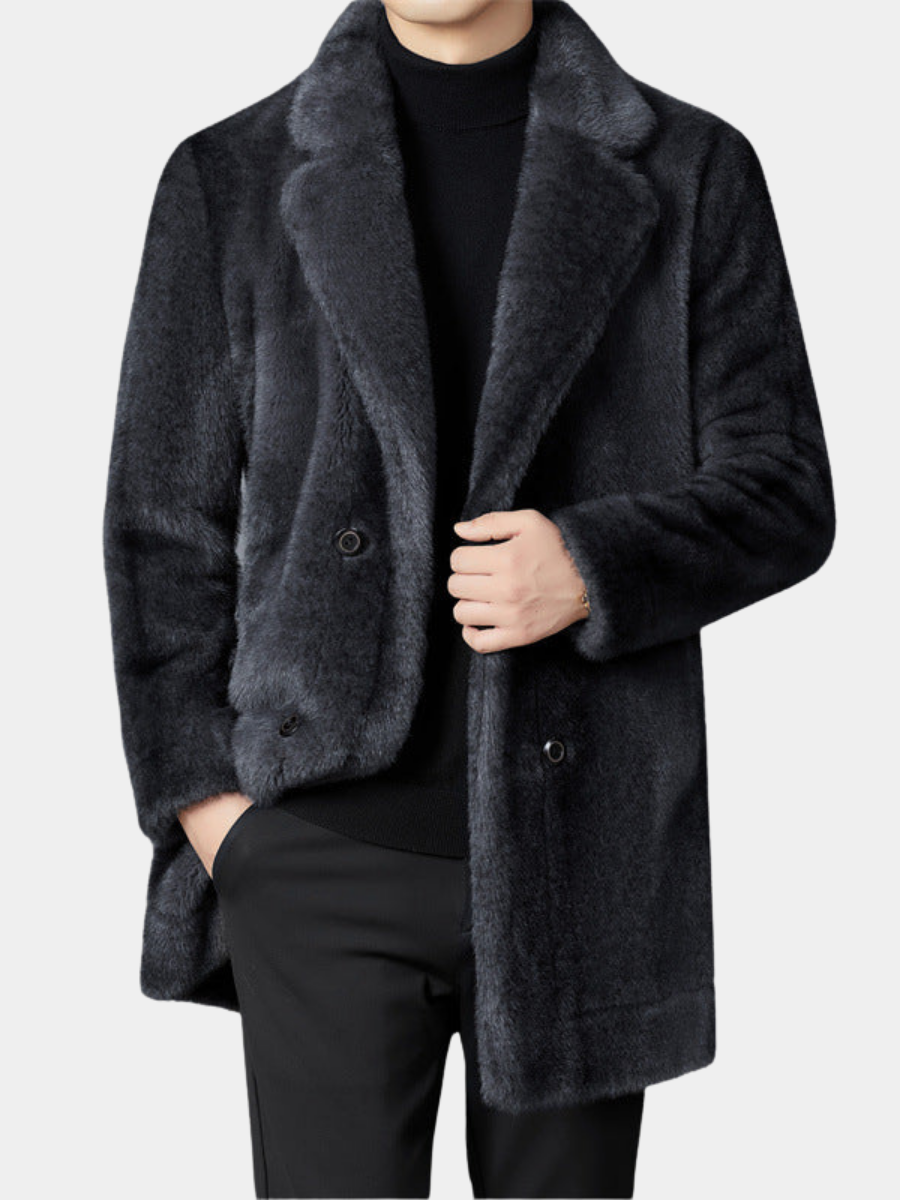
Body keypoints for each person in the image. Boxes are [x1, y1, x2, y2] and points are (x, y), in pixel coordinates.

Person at [103, 0, 835, 1196]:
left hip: (583, 849)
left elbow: (786, 488)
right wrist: (219, 819)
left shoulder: (693, 168)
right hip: (317, 854)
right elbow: (158, 528)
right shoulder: (228, 176)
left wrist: (593, 564)